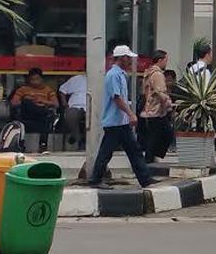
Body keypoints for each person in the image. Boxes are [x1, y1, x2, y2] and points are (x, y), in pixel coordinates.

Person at [88, 46, 156, 189]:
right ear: (122, 58)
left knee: (134, 150)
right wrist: (131, 114)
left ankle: (145, 179)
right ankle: (95, 180)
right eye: (129, 57)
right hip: (114, 121)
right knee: (107, 152)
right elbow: (117, 98)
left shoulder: (120, 74)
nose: (131, 60)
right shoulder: (113, 75)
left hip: (120, 121)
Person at [10, 67, 59, 154]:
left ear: (42, 79)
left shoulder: (48, 90)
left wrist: (42, 101)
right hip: (27, 114)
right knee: (27, 102)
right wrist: (29, 102)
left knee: (46, 117)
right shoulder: (23, 90)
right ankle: (20, 144)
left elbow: (56, 104)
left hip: (42, 116)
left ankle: (43, 146)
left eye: (37, 79)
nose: (34, 81)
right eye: (32, 79)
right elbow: (14, 103)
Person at [138, 50, 174, 163]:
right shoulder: (157, 74)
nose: (166, 63)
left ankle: (150, 159)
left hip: (149, 110)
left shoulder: (148, 73)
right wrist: (169, 104)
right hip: (156, 111)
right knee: (166, 134)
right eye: (165, 60)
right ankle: (150, 160)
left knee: (153, 137)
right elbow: (161, 92)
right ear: (160, 60)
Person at [59, 73, 88, 151]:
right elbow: (62, 90)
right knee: (70, 115)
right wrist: (64, 104)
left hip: (92, 106)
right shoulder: (76, 79)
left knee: (92, 119)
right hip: (75, 105)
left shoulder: (100, 79)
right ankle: (77, 137)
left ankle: (87, 141)